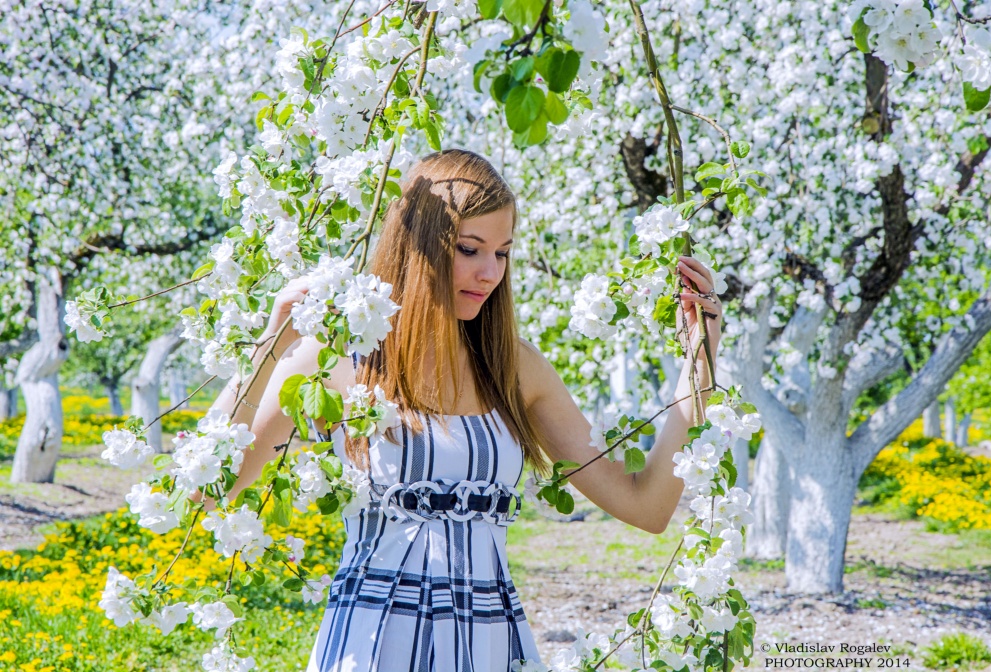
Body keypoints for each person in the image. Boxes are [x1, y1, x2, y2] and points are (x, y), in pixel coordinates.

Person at [209, 149, 722, 671]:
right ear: (417, 247)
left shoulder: (514, 369)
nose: (489, 273)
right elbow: (211, 489)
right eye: (470, 249)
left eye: (502, 253)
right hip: (372, 640)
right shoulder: (335, 361)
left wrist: (699, 360)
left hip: (488, 642)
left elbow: (647, 507)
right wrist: (270, 344)